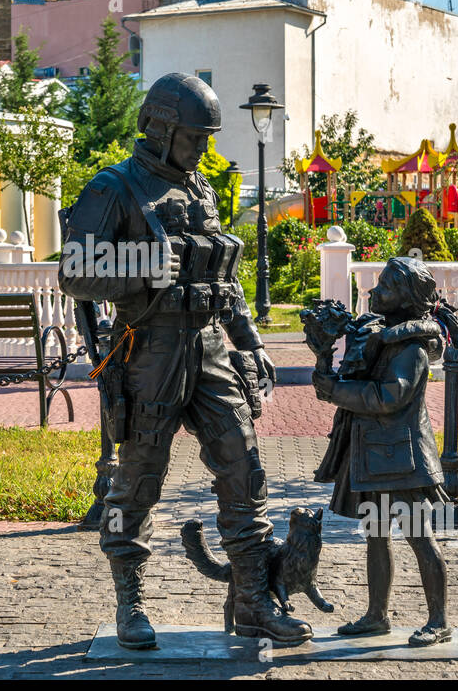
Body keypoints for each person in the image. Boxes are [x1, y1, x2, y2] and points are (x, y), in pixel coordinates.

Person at [58, 72, 311, 650]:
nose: (203, 149)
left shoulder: (199, 189)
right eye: (195, 137)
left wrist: (251, 342)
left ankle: (252, 601)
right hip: (151, 350)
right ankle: (131, 602)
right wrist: (144, 267)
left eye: (206, 138)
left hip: (212, 345)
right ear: (162, 128)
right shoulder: (114, 188)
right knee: (139, 480)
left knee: (243, 469)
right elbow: (74, 271)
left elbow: (225, 276)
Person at [311, 256, 453, 646]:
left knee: (418, 536)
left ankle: (438, 620)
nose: (374, 291)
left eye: (385, 287)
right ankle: (376, 615)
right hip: (372, 454)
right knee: (375, 534)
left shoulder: (410, 349)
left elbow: (389, 397)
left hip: (402, 458)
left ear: (405, 298)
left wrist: (335, 392)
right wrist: (323, 355)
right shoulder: (376, 335)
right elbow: (353, 377)